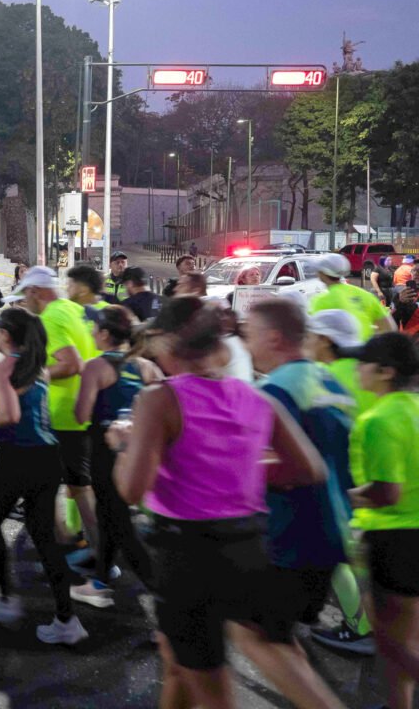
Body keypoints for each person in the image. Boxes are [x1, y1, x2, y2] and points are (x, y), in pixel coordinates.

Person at [110, 297, 340, 709]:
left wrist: (123, 444)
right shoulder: (255, 397)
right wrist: (238, 474)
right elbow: (309, 469)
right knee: (180, 660)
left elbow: (131, 489)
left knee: (212, 690)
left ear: (165, 342)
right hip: (250, 547)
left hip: (187, 556)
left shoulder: (159, 400)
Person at [245, 299, 358, 667]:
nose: (247, 345)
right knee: (281, 640)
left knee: (259, 641)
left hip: (289, 537)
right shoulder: (330, 381)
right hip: (333, 532)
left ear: (274, 338)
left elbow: (275, 466)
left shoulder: (277, 390)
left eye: (250, 335)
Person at [0, 308, 87, 642]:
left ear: (6, 335)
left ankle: (8, 601)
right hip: (48, 458)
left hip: (17, 458)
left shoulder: (3, 368)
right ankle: (67, 620)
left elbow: (9, 414)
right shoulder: (36, 367)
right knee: (44, 537)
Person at [69, 305, 160, 609]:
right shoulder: (145, 367)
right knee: (110, 517)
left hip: (105, 454)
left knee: (120, 524)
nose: (92, 332)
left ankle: (162, 595)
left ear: (106, 334)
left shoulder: (95, 367)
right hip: (137, 452)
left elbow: (81, 413)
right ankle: (99, 582)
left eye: (95, 329)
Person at [347, 333, 419, 709]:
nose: (358, 370)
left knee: (390, 641)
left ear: (386, 372)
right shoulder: (415, 408)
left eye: (364, 364)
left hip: (395, 540)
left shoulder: (377, 419)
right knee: (407, 637)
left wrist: (352, 496)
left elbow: (387, 492)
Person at [20, 266, 101, 569]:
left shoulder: (50, 317)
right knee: (76, 486)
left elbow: (70, 364)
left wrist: (32, 374)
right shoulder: (72, 308)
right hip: (82, 408)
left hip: (61, 414)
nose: (25, 302)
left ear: (35, 292)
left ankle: (81, 551)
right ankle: (83, 548)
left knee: (51, 486)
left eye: (25, 295)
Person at [309, 253, 394, 340]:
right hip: (364, 351)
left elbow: (313, 337)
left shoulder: (320, 301)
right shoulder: (365, 296)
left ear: (321, 274)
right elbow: (389, 328)